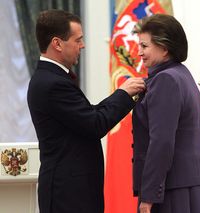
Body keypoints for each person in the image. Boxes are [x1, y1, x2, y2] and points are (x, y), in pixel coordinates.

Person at [27, 9, 145, 213]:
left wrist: (122, 94)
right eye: (77, 40)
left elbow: (88, 114)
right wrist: (124, 94)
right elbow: (95, 124)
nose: (83, 45)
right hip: (70, 194)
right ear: (57, 43)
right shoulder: (52, 83)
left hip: (74, 191)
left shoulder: (52, 78)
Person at [132, 14, 200, 213]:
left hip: (174, 189)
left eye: (144, 46)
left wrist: (149, 196)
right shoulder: (181, 73)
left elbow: (161, 142)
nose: (139, 53)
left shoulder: (165, 80)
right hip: (189, 184)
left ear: (164, 48)